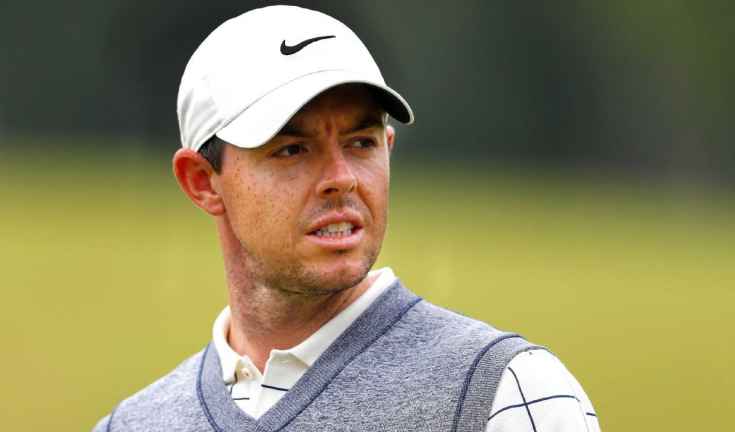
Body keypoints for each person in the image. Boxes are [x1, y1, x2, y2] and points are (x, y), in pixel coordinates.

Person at [94, 5, 600, 432]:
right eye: (292, 149)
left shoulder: (506, 395)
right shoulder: (133, 425)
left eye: (361, 143)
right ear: (203, 181)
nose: (342, 178)